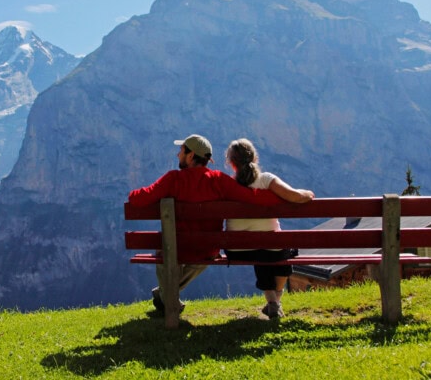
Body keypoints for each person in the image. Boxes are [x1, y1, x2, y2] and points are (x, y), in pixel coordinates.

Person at [128, 134, 285, 315]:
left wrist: (132, 193)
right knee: (203, 255)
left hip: (177, 247)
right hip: (207, 250)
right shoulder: (219, 180)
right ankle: (166, 296)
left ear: (190, 155)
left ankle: (166, 296)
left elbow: (138, 199)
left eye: (181, 151)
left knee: (164, 250)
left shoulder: (173, 179)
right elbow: (252, 197)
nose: (178, 155)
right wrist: (284, 196)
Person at [224, 138, 314, 319]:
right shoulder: (266, 180)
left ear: (232, 163)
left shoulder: (227, 185)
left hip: (237, 250)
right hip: (272, 249)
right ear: (255, 158)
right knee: (279, 250)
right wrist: (308, 193)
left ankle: (272, 302)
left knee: (260, 251)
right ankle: (275, 301)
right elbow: (295, 196)